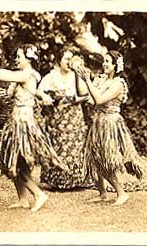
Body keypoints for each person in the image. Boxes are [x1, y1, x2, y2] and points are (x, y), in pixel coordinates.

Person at [0, 43, 68, 212]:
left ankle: (39, 195)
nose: (16, 59)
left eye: (19, 57)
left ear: (29, 59)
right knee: (14, 161)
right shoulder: (23, 76)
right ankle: (23, 199)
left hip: (23, 123)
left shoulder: (26, 75)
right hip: (15, 120)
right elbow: (8, 89)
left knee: (17, 163)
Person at [77, 50, 145, 206]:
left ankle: (121, 193)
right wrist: (79, 75)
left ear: (116, 65)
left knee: (106, 159)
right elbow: (82, 92)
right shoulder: (101, 79)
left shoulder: (118, 83)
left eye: (108, 61)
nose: (104, 64)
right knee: (93, 157)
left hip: (110, 124)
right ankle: (103, 193)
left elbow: (99, 100)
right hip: (98, 122)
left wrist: (88, 81)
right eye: (104, 61)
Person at [36, 48, 93, 190]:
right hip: (57, 116)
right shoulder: (51, 76)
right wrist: (45, 97)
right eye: (66, 59)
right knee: (57, 145)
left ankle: (76, 180)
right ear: (59, 60)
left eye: (71, 59)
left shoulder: (76, 76)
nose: (69, 62)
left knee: (75, 146)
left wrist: (75, 98)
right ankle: (55, 180)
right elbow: (38, 90)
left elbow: (85, 94)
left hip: (74, 116)